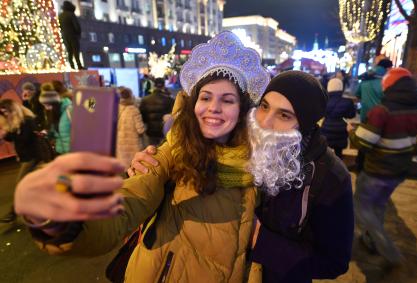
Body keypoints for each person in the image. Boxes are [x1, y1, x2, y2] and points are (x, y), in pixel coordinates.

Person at [14, 31, 271, 282]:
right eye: (205, 97)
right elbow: (128, 204)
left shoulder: (263, 161)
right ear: (193, 105)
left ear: (241, 110)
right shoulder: (172, 153)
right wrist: (61, 219)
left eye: (227, 100)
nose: (214, 108)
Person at [130, 71, 355, 283]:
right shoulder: (241, 139)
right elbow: (189, 147)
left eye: (284, 115)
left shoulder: (331, 177)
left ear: (305, 125)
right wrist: (148, 163)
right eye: (264, 106)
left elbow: (334, 263)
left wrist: (261, 241)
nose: (265, 121)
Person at [349, 67, 417, 266]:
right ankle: (371, 240)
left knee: (361, 207)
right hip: (399, 171)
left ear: (390, 86)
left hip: (377, 170)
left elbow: (364, 143)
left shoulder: (382, 111)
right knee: (379, 205)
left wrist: (352, 132)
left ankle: (388, 250)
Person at [0, 99, 41, 223]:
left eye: (7, 112)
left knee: (20, 185)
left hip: (32, 157)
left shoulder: (27, 121)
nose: (6, 115)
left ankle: (14, 212)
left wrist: (8, 130)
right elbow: (14, 139)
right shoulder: (16, 122)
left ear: (13, 109)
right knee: (32, 184)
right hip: (25, 157)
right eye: (3, 113)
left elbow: (25, 139)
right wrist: (5, 134)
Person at [321, 78, 356, 159]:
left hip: (326, 129)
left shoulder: (324, 101)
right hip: (341, 130)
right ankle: (338, 168)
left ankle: (326, 169)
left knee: (325, 153)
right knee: (339, 153)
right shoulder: (348, 102)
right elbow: (351, 115)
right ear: (341, 88)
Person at [139, 77, 174, 145]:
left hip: (151, 131)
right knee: (163, 153)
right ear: (164, 86)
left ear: (154, 85)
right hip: (164, 132)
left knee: (151, 152)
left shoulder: (145, 100)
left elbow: (142, 117)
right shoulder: (170, 100)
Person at [116, 87, 145, 168]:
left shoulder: (115, 108)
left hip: (120, 144)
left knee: (123, 167)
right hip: (133, 146)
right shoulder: (134, 110)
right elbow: (140, 130)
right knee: (133, 168)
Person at [39, 83, 72, 154]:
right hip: (62, 151)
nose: (46, 108)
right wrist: (47, 133)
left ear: (54, 103)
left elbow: (92, 103)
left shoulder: (69, 110)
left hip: (75, 151)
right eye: (44, 105)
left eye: (47, 105)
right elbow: (56, 131)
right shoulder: (53, 114)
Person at [59, 1, 84, 70]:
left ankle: (71, 65)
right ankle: (79, 65)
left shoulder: (60, 15)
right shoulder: (71, 14)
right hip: (73, 35)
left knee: (69, 51)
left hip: (65, 36)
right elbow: (76, 26)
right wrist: (78, 34)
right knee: (76, 51)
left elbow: (59, 26)